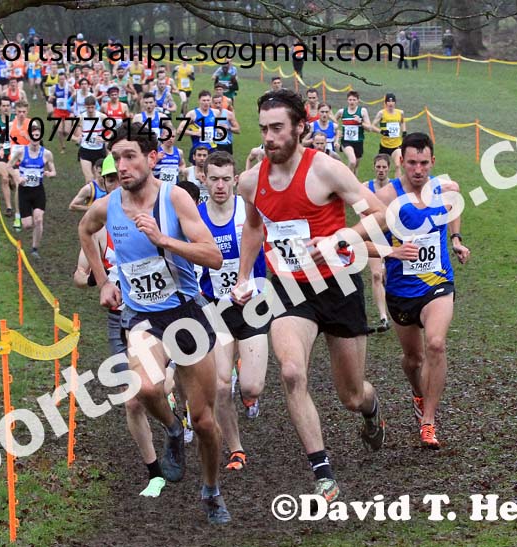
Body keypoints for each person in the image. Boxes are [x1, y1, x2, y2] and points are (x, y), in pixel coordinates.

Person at [232, 89, 389, 504]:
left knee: (351, 395)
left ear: (301, 127)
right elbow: (252, 227)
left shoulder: (327, 170)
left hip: (336, 286)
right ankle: (323, 474)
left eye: (277, 128)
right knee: (291, 373)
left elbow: (378, 216)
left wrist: (340, 237)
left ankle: (371, 411)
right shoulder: (251, 181)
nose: (269, 137)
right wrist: (245, 276)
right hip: (287, 290)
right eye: (264, 128)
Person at [78, 123, 231, 524]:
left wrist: (165, 240)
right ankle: (172, 430)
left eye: (130, 156)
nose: (122, 165)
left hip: (186, 315)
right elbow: (84, 229)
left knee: (207, 422)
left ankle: (211, 489)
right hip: (142, 316)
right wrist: (104, 279)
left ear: (152, 158)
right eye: (117, 158)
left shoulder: (174, 199)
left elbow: (212, 256)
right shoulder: (109, 205)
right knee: (144, 386)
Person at [376, 133, 470, 449]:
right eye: (412, 162)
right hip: (401, 289)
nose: (418, 169)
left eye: (424, 163)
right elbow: (362, 243)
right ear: (401, 160)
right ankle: (418, 393)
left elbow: (455, 201)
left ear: (433, 162)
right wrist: (392, 252)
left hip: (437, 282)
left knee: (436, 344)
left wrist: (456, 239)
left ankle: (428, 421)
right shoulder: (387, 197)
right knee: (413, 359)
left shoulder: (443, 188)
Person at [197, 151, 270, 470]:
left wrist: (255, 286)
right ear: (204, 179)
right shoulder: (195, 218)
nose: (220, 186)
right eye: (214, 179)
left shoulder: (249, 212)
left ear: (236, 180)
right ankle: (236, 449)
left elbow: (268, 257)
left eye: (226, 179)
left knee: (252, 387)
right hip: (216, 311)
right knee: (221, 385)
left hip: (253, 307)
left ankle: (249, 389)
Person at [9, 121, 57, 258]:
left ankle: (34, 248)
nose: (35, 138)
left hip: (38, 191)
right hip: (24, 192)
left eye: (38, 135)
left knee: (39, 219)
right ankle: (29, 230)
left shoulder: (47, 154)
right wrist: (18, 177)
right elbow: (9, 167)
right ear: (29, 137)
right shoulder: (20, 152)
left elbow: (54, 171)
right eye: (33, 135)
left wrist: (50, 174)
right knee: (27, 225)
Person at [362, 154, 393, 332]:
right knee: (376, 275)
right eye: (378, 167)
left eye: (384, 167)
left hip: (390, 235)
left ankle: (394, 308)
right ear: (374, 167)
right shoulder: (366, 187)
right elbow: (360, 211)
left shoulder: (395, 187)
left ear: (388, 168)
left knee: (388, 274)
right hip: (372, 234)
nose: (381, 170)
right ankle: (383, 317)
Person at [73, 95, 109, 183]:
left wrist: (104, 138)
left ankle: (98, 196)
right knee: (89, 179)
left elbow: (113, 132)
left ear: (95, 106)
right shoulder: (80, 118)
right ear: (85, 106)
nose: (90, 110)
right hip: (85, 151)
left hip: (99, 151)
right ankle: (90, 196)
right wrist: (76, 139)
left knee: (99, 179)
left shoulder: (102, 117)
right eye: (88, 107)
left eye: (92, 107)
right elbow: (71, 136)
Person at [336, 90, 371, 176]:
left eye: (354, 100)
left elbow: (369, 128)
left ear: (358, 100)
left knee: (355, 167)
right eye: (350, 100)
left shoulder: (362, 111)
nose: (352, 102)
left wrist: (360, 121)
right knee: (352, 161)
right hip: (346, 141)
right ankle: (344, 179)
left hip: (358, 142)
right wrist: (337, 135)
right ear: (347, 100)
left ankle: (354, 186)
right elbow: (332, 123)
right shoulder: (342, 112)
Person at [370, 93, 406, 178]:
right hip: (384, 145)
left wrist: (404, 131)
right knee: (382, 168)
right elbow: (372, 126)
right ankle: (382, 184)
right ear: (385, 103)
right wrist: (381, 131)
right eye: (388, 102)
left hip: (396, 145)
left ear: (395, 103)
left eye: (392, 101)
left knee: (398, 165)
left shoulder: (400, 113)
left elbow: (403, 121)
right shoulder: (381, 113)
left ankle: (397, 187)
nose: (390, 103)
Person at [179, 90, 217, 162]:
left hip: (212, 148)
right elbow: (179, 130)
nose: (206, 103)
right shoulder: (193, 114)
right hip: (198, 150)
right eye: (204, 100)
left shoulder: (215, 113)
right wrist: (196, 133)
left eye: (208, 100)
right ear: (199, 101)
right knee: (196, 171)